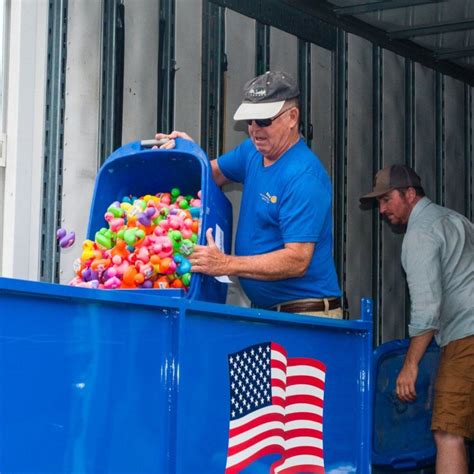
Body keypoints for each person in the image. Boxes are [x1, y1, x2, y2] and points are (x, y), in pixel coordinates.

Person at [156, 70, 342, 318]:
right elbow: (210, 175)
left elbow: (297, 260)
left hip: (306, 316)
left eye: (264, 121)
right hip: (269, 313)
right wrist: (189, 153)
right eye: (249, 121)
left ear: (292, 117)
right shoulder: (252, 152)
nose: (255, 130)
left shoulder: (304, 177)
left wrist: (225, 264)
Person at [360, 164, 474, 473]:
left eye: (386, 200)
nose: (382, 209)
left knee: (448, 432)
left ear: (410, 194)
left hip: (466, 337)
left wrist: (410, 365)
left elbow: (427, 308)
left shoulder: (420, 234)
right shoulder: (456, 220)